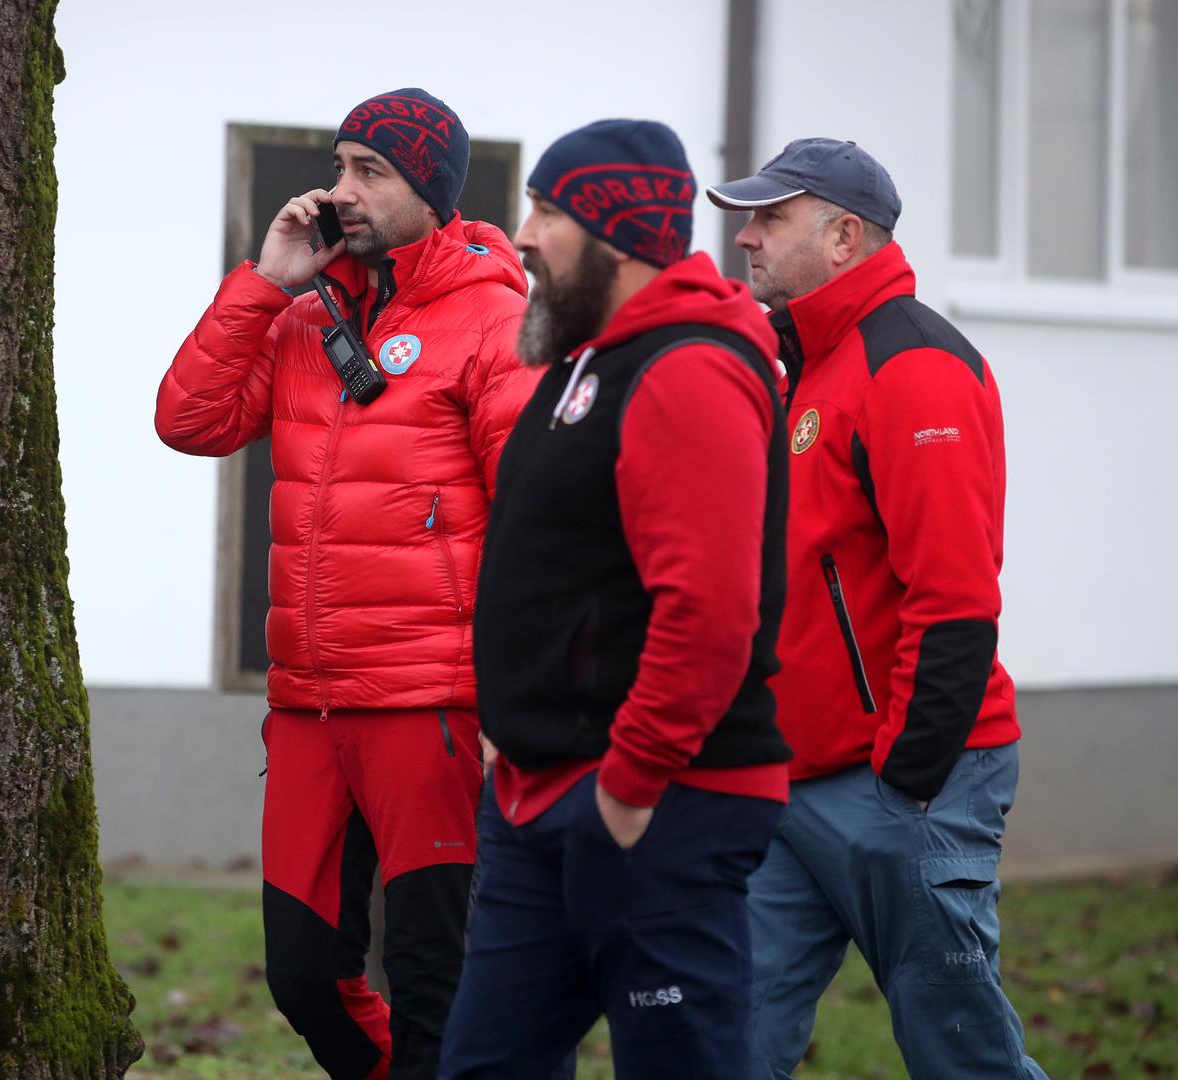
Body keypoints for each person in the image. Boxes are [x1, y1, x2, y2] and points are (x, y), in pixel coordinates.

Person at [154, 88, 536, 1080]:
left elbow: (531, 514)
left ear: (433, 190)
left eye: (370, 171)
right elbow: (189, 421)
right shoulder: (302, 315)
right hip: (310, 705)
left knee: (431, 978)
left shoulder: (494, 320)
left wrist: (512, 691)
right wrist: (263, 282)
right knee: (304, 977)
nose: (340, 192)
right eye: (338, 168)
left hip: (430, 702)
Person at [438, 119, 792, 1079]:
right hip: (539, 798)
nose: (519, 235)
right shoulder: (590, 362)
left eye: (548, 210)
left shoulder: (691, 369)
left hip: (655, 806)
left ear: (618, 233)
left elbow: (711, 611)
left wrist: (630, 791)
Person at [708, 137, 1048, 1078]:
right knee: (724, 1037)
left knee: (960, 1054)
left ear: (845, 235)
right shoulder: (812, 365)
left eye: (772, 217)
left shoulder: (912, 365)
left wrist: (908, 776)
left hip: (903, 782)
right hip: (794, 780)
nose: (748, 238)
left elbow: (956, 597)